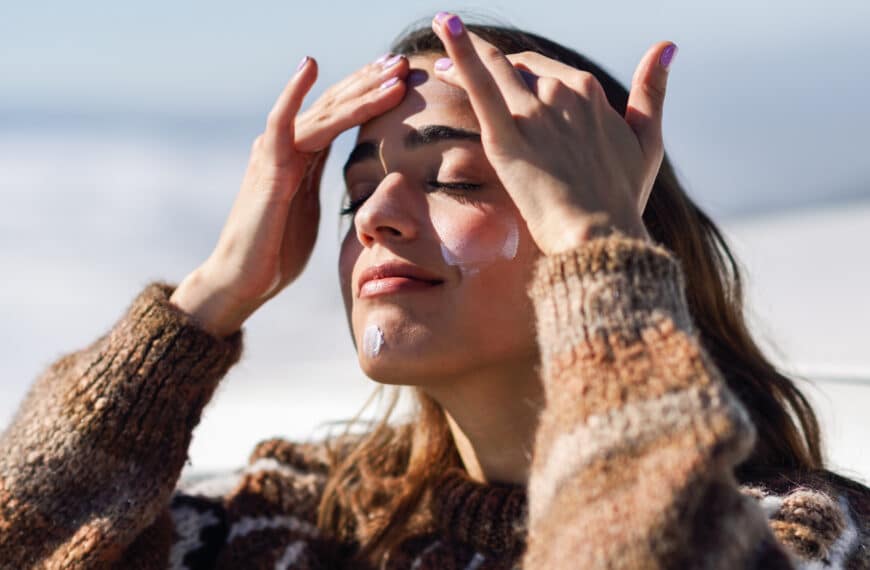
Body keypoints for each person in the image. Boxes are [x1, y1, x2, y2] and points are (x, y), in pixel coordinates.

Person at [1, 12, 867, 569]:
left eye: (453, 178)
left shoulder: (803, 537)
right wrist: (213, 292)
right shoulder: (293, 525)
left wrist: (599, 250)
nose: (375, 217)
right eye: (354, 191)